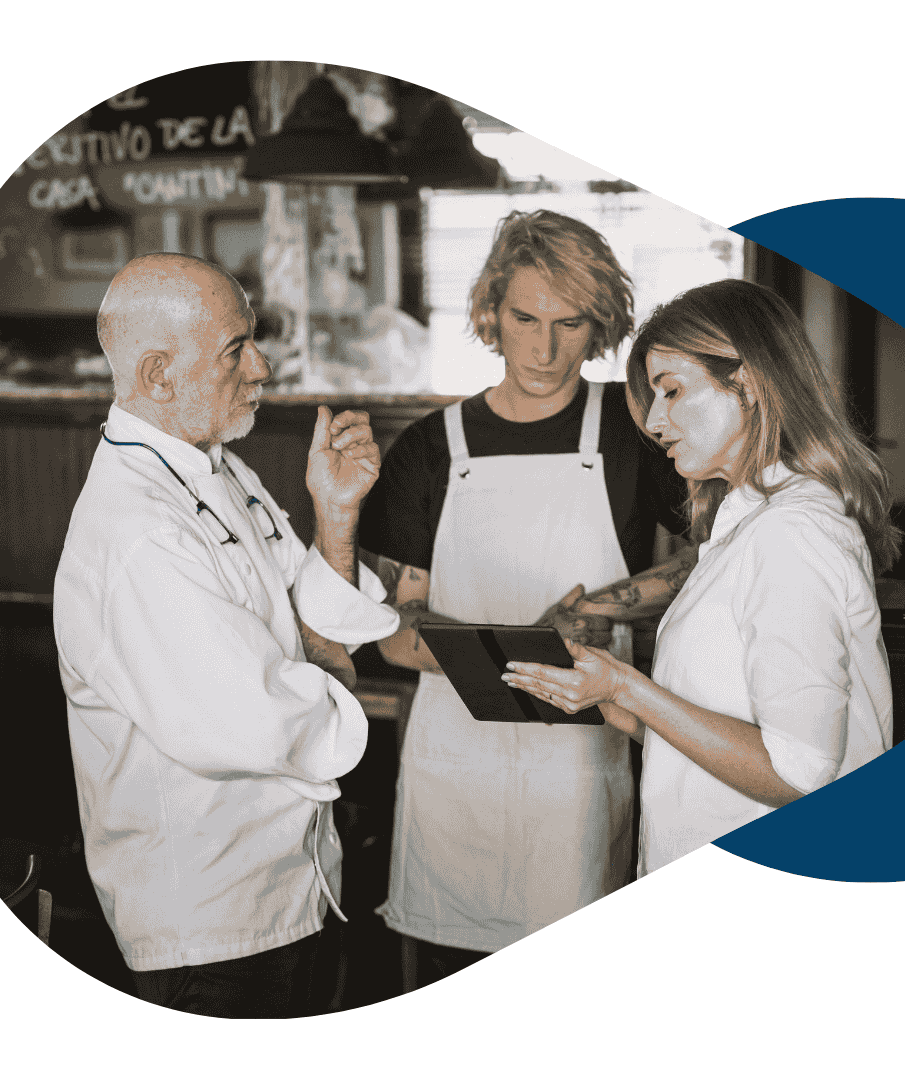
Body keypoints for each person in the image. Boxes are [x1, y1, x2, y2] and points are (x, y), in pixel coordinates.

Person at [53, 253, 399, 1018]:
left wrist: (334, 517)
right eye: (236, 348)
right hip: (210, 924)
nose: (264, 367)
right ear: (157, 373)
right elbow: (260, 719)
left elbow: (303, 617)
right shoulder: (137, 534)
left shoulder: (217, 469)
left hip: (289, 887)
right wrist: (332, 670)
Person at [357, 210, 695, 985]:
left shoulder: (635, 429)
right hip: (455, 758)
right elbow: (398, 636)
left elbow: (709, 561)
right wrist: (513, 650)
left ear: (600, 324)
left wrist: (593, 610)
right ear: (489, 313)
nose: (543, 350)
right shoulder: (429, 447)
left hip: (578, 758)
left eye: (569, 323)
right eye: (523, 318)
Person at [502, 278, 900, 874]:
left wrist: (629, 687)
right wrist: (606, 699)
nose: (655, 422)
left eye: (672, 392)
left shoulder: (789, 535)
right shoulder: (745, 524)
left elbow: (798, 772)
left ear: (750, 383)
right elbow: (705, 739)